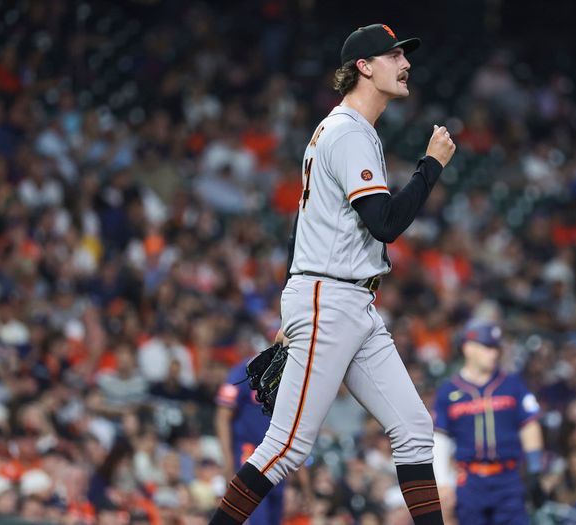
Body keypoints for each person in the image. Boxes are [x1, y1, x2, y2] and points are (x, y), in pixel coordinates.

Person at [210, 22, 456, 525]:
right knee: (286, 448)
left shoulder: (345, 130)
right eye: (393, 57)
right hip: (331, 297)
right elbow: (384, 223)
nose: (404, 64)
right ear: (364, 67)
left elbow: (302, 226)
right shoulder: (347, 132)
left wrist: (293, 297)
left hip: (345, 300)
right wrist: (429, 166)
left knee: (413, 427)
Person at [432, 320, 545, 525]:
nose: (493, 354)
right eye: (487, 347)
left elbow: (530, 425)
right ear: (468, 348)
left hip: (508, 478)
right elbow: (440, 437)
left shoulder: (512, 385)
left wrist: (535, 471)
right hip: (470, 480)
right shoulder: (449, 391)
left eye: (495, 348)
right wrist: (441, 482)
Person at [215, 340, 285, 525]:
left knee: (274, 517)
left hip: (277, 454)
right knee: (258, 518)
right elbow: (223, 415)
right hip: (249, 454)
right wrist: (228, 460)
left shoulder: (284, 372)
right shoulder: (241, 372)